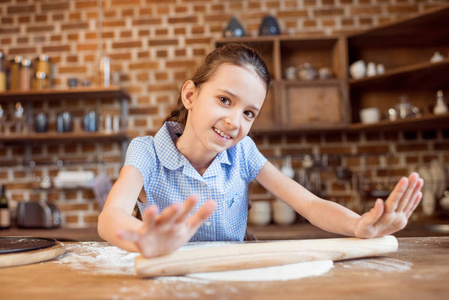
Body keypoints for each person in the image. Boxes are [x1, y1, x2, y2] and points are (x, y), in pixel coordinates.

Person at [98, 43, 423, 258]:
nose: (234, 121)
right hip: (168, 276)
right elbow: (111, 216)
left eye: (248, 112)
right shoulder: (147, 151)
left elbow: (308, 203)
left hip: (235, 276)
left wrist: (358, 225)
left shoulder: (243, 152)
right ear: (190, 96)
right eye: (224, 100)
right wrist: (143, 238)